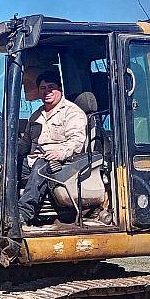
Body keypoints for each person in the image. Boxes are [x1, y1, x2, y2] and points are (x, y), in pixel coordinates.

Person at [19, 70, 87, 225]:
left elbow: (76, 142)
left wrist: (60, 153)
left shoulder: (72, 112)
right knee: (8, 167)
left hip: (64, 162)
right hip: (36, 159)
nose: (47, 91)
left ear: (60, 89)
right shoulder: (36, 115)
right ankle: (0, 207)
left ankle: (24, 213)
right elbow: (25, 143)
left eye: (51, 87)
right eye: (43, 88)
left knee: (41, 166)